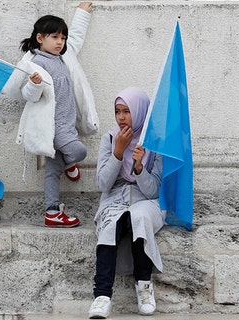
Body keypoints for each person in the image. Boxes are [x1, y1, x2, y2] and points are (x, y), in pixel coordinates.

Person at [2, 2, 97, 228]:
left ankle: (52, 212)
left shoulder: (64, 56)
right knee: (78, 151)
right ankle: (69, 162)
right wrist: (34, 85)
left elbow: (76, 37)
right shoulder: (33, 63)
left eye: (62, 38)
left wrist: (83, 12)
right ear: (40, 38)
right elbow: (27, 95)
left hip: (68, 123)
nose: (60, 42)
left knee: (52, 172)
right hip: (53, 128)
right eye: (54, 37)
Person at [88, 87, 165, 319]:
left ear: (140, 112)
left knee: (138, 217)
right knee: (111, 223)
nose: (121, 118)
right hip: (114, 200)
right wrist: (118, 153)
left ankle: (144, 286)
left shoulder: (154, 143)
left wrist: (140, 168)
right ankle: (102, 296)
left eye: (127, 112)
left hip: (145, 202)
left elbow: (154, 191)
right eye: (117, 111)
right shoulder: (109, 139)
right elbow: (103, 184)